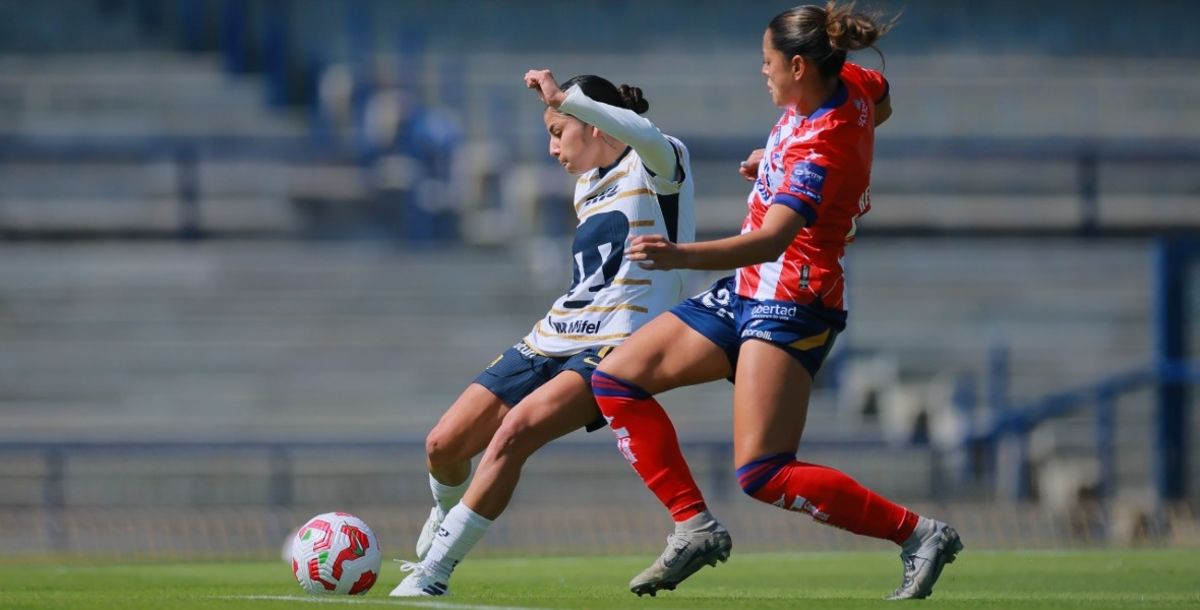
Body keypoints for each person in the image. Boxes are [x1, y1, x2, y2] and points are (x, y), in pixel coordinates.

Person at [591, 2, 963, 600]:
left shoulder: (822, 145)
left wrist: (677, 254)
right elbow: (881, 104)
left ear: (796, 65)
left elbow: (771, 240)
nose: (761, 72)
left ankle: (919, 533)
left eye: (767, 63)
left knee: (762, 472)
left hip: (793, 299)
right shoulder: (847, 83)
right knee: (614, 382)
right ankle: (693, 526)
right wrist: (775, 168)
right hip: (749, 292)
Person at [389, 69, 696, 596]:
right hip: (552, 337)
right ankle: (444, 518)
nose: (553, 148)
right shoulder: (585, 187)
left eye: (558, 131)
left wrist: (563, 97)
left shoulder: (659, 161)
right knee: (443, 444)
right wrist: (563, 109)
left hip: (614, 346)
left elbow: (641, 133)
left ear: (593, 124)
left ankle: (434, 573)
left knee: (515, 433)